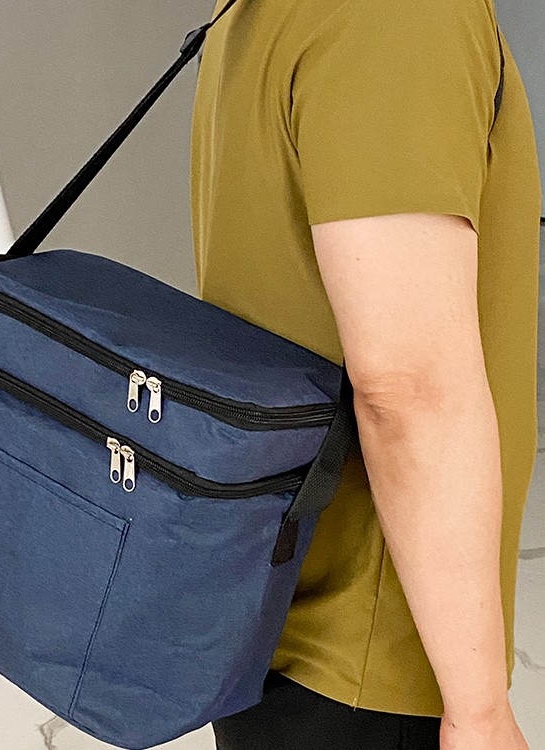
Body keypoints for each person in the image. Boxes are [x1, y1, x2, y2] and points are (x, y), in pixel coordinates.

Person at [189, 0, 540, 748]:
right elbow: (406, 388)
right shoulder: (400, 15)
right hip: (370, 650)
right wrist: (479, 708)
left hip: (270, 591)